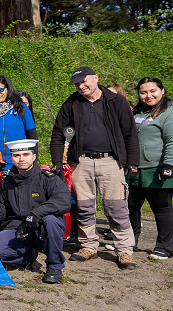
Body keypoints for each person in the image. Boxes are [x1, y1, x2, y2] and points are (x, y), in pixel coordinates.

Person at [50, 66, 139, 269]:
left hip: (111, 161)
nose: (81, 86)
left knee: (116, 207)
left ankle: (124, 251)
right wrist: (57, 161)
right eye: (77, 84)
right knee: (84, 207)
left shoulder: (117, 101)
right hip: (81, 162)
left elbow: (130, 133)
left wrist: (132, 162)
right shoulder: (71, 103)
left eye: (84, 81)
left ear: (96, 78)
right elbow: (58, 133)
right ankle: (88, 245)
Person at [0, 139, 71, 284]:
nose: (21, 159)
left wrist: (36, 214)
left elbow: (63, 200)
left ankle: (54, 266)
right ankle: (29, 257)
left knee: (51, 221)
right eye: (17, 155)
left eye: (26, 154)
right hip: (18, 228)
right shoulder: (7, 182)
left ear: (34, 156)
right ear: (11, 158)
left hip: (42, 226)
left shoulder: (48, 179)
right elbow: (4, 209)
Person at [128, 76, 173, 260]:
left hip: (158, 168)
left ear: (162, 91)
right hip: (135, 169)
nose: (148, 96)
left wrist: (169, 165)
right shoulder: (137, 112)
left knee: (162, 208)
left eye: (153, 91)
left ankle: (165, 247)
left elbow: (172, 140)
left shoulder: (169, 112)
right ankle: (129, 242)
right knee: (131, 206)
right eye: (143, 92)